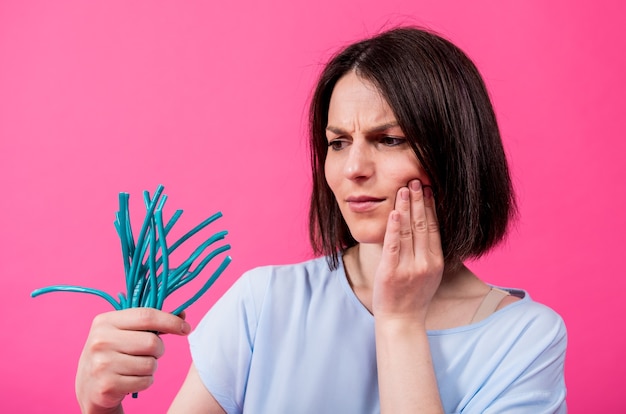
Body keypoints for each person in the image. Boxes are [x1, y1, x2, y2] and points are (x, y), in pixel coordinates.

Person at [76, 26, 567, 413]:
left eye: (390, 139)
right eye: (337, 143)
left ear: (457, 154)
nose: (353, 169)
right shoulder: (263, 302)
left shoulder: (526, 340)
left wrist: (398, 321)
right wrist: (102, 408)